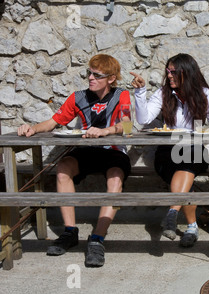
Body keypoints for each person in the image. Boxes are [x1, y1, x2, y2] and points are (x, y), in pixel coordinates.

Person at [17, 54, 132, 267]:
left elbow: (127, 126)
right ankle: (70, 232)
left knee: (115, 177)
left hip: (113, 150)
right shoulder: (77, 96)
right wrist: (32, 128)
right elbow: (53, 122)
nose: (90, 77)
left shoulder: (121, 95)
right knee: (63, 168)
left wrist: (106, 131)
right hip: (86, 150)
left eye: (97, 75)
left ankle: (97, 238)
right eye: (89, 73)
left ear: (111, 78)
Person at [131, 53, 209, 247]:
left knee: (189, 161)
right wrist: (141, 91)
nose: (169, 76)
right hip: (167, 152)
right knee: (186, 175)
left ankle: (173, 212)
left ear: (187, 72)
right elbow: (143, 119)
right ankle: (190, 226)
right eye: (167, 71)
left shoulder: (205, 94)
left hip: (194, 150)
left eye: (173, 71)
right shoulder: (163, 93)